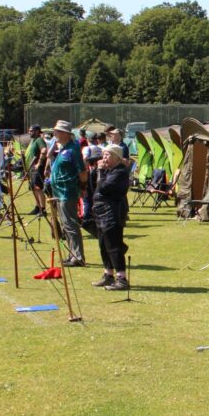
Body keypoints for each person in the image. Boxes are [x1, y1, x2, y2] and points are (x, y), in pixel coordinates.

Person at [91, 144, 132, 291]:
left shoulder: (120, 172)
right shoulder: (110, 171)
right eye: (104, 154)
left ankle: (122, 279)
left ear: (116, 157)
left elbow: (103, 188)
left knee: (113, 246)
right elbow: (93, 186)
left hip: (112, 213)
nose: (104, 158)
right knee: (103, 245)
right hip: (102, 212)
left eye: (107, 155)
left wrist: (101, 171)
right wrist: (96, 170)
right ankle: (108, 275)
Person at [51, 120, 88, 267]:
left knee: (71, 224)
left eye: (58, 131)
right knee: (65, 225)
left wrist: (83, 187)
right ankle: (72, 254)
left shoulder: (73, 149)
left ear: (66, 133)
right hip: (59, 192)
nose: (55, 134)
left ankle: (78, 256)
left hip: (68, 192)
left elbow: (82, 172)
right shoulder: (63, 148)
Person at [24, 125, 47, 217]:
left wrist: (39, 163)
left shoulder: (39, 140)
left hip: (38, 169)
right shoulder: (33, 141)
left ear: (37, 131)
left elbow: (44, 150)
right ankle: (37, 207)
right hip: (31, 169)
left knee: (38, 188)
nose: (30, 132)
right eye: (29, 131)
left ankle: (43, 209)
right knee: (33, 188)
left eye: (31, 131)